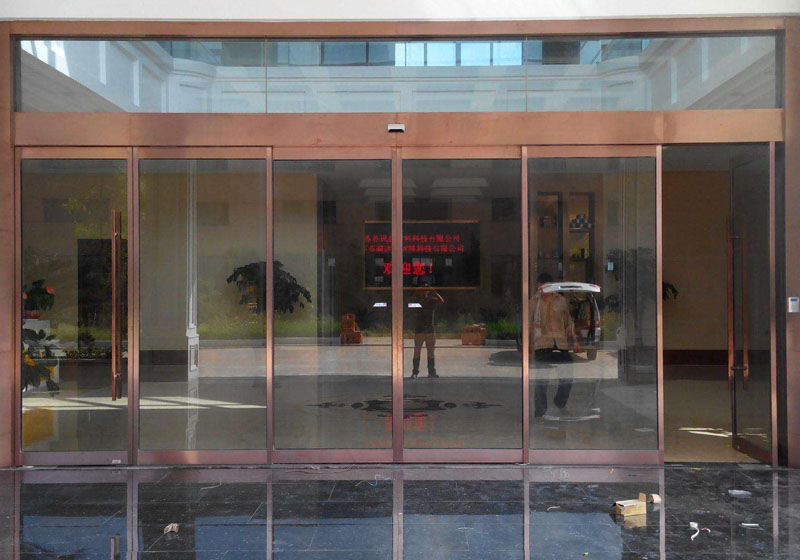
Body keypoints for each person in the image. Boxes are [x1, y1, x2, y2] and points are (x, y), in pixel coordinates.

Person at [532, 272, 579, 417]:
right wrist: (527, 345)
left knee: (567, 377)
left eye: (544, 287)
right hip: (542, 344)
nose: (542, 291)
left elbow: (569, 322)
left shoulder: (561, 300)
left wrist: (575, 340)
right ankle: (540, 410)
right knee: (541, 380)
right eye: (540, 288)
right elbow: (528, 324)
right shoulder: (534, 301)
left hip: (560, 343)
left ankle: (560, 401)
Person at [410, 281, 444, 379]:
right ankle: (415, 372)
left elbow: (441, 301)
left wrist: (433, 291)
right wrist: (416, 292)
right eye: (423, 290)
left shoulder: (431, 300)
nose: (424, 291)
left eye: (426, 290)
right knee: (417, 351)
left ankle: (431, 371)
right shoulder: (417, 300)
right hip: (419, 329)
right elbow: (409, 303)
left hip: (430, 329)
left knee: (431, 352)